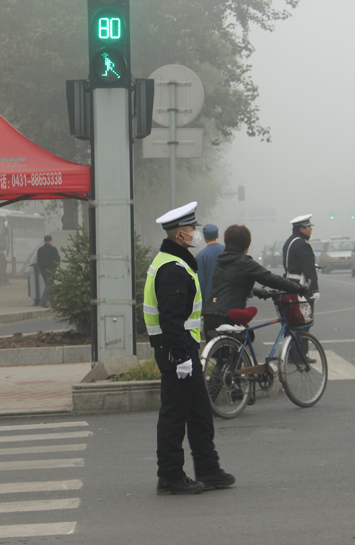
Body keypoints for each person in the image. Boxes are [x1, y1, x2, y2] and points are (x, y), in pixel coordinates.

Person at [143, 201, 235, 495]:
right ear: (179, 235)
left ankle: (209, 469)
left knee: (199, 413)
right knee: (174, 416)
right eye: (191, 229)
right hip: (177, 352)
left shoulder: (177, 261)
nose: (195, 232)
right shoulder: (171, 267)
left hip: (185, 350)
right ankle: (169, 476)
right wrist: (182, 357)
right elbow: (171, 318)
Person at [202, 224, 307, 341]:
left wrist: (256, 291)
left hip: (210, 314)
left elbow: (230, 285)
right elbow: (270, 278)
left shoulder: (220, 261)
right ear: (246, 246)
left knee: (217, 357)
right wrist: (297, 288)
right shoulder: (245, 263)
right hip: (229, 315)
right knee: (240, 347)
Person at [194, 223, 224, 303]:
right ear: (217, 235)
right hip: (228, 299)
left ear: (204, 237)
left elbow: (201, 282)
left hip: (210, 300)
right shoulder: (227, 250)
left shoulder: (201, 256)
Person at [36, 235, 61, 308]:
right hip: (51, 269)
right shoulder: (53, 249)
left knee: (49, 286)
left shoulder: (40, 250)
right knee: (49, 286)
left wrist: (42, 267)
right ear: (51, 240)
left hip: (43, 270)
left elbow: (38, 261)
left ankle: (53, 302)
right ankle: (43, 302)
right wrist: (55, 266)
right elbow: (58, 259)